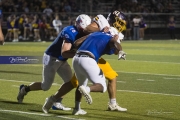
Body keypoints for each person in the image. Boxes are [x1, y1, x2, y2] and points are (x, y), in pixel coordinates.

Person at [42, 10, 127, 115]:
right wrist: (102, 32)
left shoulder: (116, 34)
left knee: (112, 76)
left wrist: (108, 39)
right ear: (114, 20)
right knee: (76, 83)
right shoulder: (102, 20)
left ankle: (112, 104)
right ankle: (59, 101)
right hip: (89, 55)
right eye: (120, 22)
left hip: (90, 55)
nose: (120, 25)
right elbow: (87, 29)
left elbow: (112, 50)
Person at [17, 14, 91, 112]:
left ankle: (57, 102)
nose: (84, 31)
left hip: (62, 60)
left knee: (70, 83)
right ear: (78, 24)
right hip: (52, 57)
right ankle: (24, 89)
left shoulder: (84, 32)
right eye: (82, 29)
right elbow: (64, 53)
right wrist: (80, 55)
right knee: (45, 86)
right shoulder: (69, 31)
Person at [72, 26, 125, 115]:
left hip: (76, 59)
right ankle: (87, 89)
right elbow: (114, 43)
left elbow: (76, 43)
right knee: (102, 86)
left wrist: (89, 36)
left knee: (81, 84)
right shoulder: (110, 38)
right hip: (88, 59)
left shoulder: (95, 34)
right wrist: (120, 50)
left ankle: (77, 108)